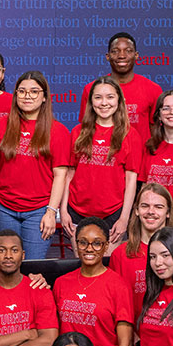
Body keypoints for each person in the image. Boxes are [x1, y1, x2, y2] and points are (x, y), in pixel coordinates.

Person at [52, 218, 134, 346]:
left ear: (106, 247)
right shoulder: (61, 283)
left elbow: (126, 343)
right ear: (76, 245)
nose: (89, 248)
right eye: (83, 242)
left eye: (97, 243)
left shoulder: (118, 285)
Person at [0, 70, 68, 261]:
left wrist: (51, 212)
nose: (27, 96)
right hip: (5, 208)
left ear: (44, 97)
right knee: (7, 266)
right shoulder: (1, 125)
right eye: (22, 91)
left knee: (33, 267)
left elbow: (60, 175)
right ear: (15, 95)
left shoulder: (58, 131)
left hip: (39, 211)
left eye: (34, 91)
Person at [119, 90, 173, 254]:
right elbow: (145, 187)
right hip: (152, 215)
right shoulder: (150, 148)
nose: (172, 112)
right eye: (166, 108)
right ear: (159, 115)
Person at [109, 183, 173, 316]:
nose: (151, 212)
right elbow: (117, 304)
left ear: (168, 212)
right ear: (136, 210)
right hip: (136, 332)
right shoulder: (120, 254)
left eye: (158, 207)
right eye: (145, 206)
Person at [59, 76, 130, 234]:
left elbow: (131, 181)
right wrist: (63, 210)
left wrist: (124, 218)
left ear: (119, 100)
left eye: (110, 97)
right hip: (77, 211)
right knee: (81, 259)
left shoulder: (130, 135)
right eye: (98, 97)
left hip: (113, 213)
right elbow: (69, 174)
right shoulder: (78, 132)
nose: (104, 103)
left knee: (107, 259)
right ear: (90, 102)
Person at [76, 32, 162, 128]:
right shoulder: (92, 89)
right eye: (115, 51)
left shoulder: (153, 89)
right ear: (108, 56)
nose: (121, 55)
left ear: (136, 55)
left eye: (128, 51)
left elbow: (157, 131)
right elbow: (86, 127)